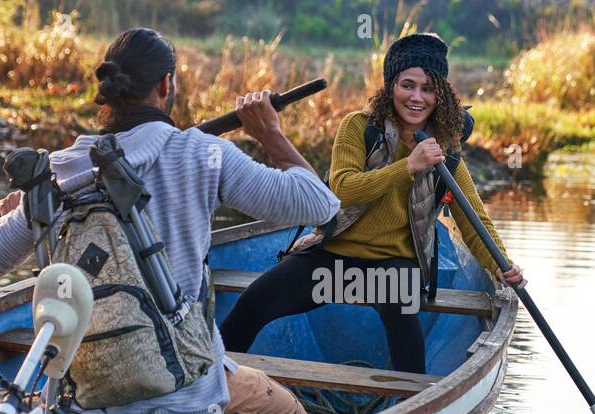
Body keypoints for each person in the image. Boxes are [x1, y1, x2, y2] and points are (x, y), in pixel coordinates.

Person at [0, 27, 340, 414]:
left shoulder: (59, 170)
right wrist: (269, 133)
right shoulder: (201, 153)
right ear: (166, 85)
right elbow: (320, 205)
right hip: (187, 397)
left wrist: (17, 215)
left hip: (85, 404)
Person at [220, 32, 524, 374]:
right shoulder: (359, 127)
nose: (416, 97)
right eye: (407, 85)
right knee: (253, 303)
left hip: (395, 264)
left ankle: (413, 406)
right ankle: (209, 382)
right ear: (391, 86)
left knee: (401, 307)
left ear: (440, 94)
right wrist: (408, 166)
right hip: (332, 258)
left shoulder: (446, 150)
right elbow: (342, 190)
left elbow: (473, 217)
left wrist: (501, 264)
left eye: (427, 88)